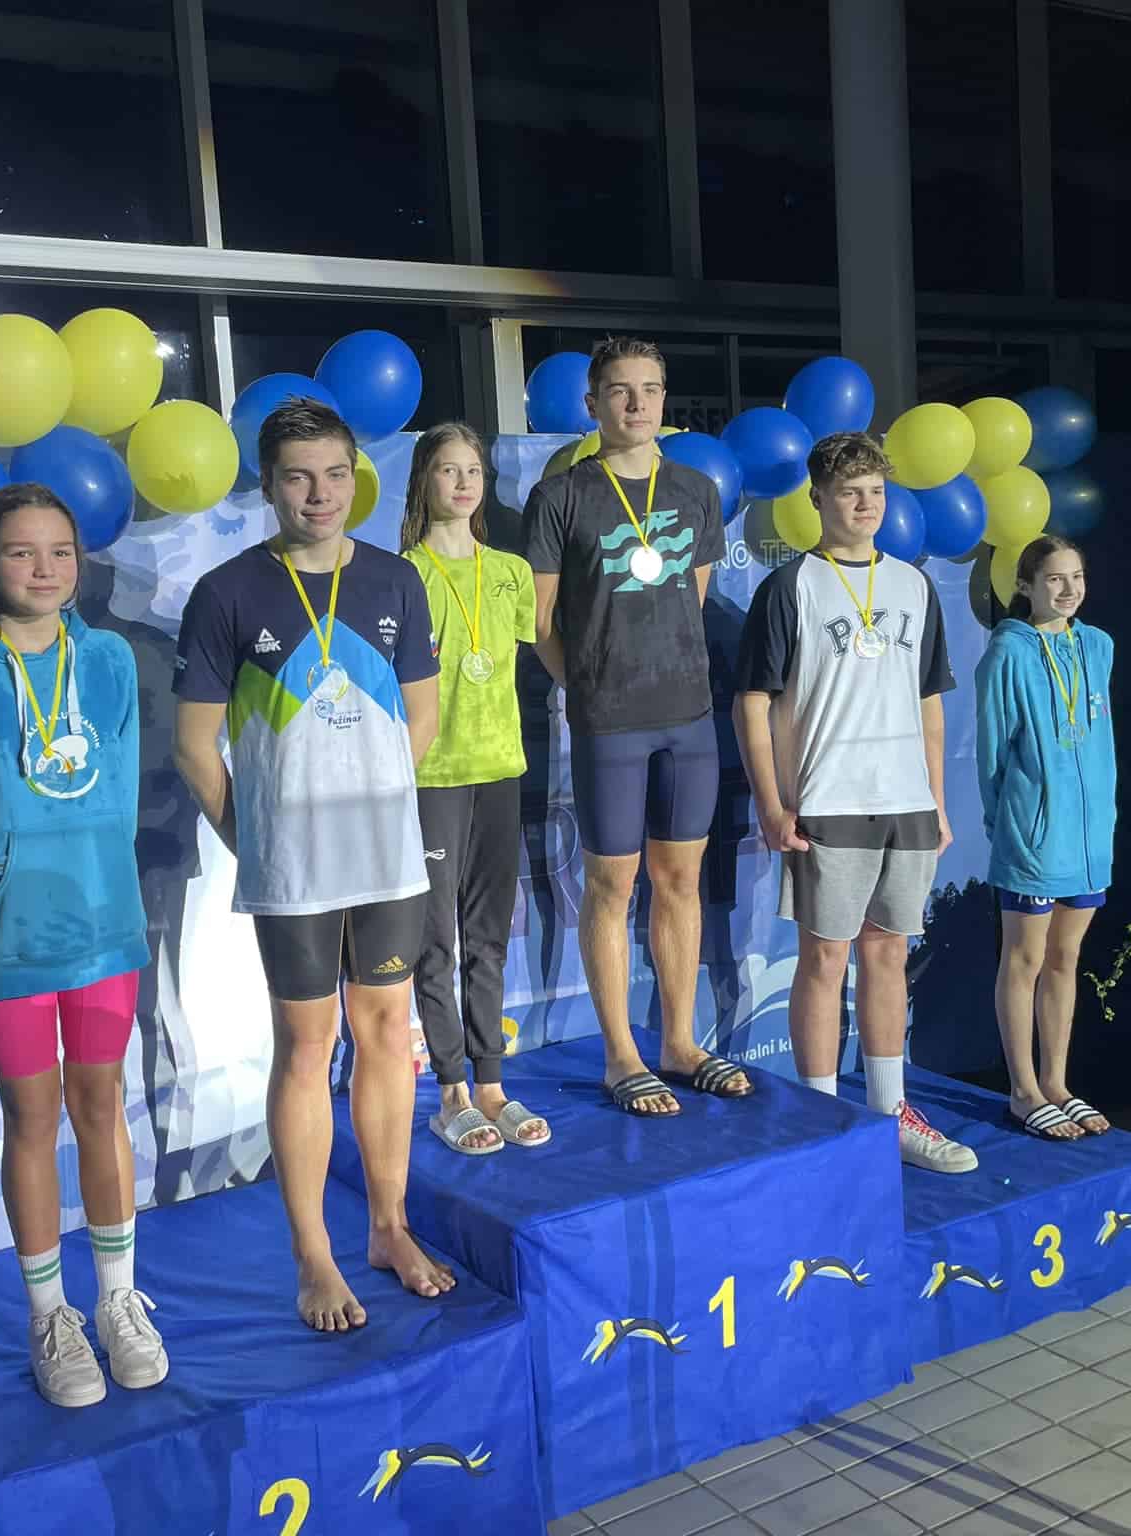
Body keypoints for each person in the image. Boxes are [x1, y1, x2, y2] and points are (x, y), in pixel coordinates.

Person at [172, 398, 455, 1332]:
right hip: (291, 869)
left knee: (387, 1034)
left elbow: (422, 712)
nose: (319, 494)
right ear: (268, 485)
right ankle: (314, 1257)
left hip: (386, 859)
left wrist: (377, 803)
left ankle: (388, 1227)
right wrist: (257, 842)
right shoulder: (227, 592)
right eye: (298, 477)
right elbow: (194, 747)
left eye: (335, 474)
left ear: (354, 480)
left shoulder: (394, 580)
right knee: (305, 1047)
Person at [0, 483, 166, 1407]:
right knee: (32, 1116)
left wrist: (97, 872)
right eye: (22, 551)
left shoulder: (110, 659)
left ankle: (119, 1301)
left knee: (102, 1103)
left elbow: (122, 787)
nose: (45, 568)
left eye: (60, 551)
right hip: (5, 929)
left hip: (101, 922)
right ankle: (51, 1316)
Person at [731, 432, 977, 1174]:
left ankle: (889, 1110)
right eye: (849, 492)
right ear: (818, 500)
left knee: (889, 954)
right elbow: (752, 703)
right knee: (825, 957)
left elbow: (930, 702)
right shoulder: (791, 586)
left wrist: (937, 801)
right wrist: (772, 804)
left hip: (905, 801)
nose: (866, 505)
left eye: (875, 491)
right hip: (827, 798)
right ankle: (820, 1122)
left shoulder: (913, 585)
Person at [524, 337, 748, 1118]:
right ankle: (622, 1056)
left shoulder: (694, 490)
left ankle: (680, 1043)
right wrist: (591, 684)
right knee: (612, 886)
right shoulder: (562, 497)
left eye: (650, 388)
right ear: (593, 404)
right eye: (620, 390)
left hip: (688, 718)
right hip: (609, 724)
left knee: (681, 882)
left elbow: (692, 601)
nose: (637, 403)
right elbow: (541, 623)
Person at [401, 423, 550, 1156]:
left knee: (487, 937)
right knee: (436, 939)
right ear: (423, 480)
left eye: (473, 471)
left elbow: (521, 650)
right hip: (432, 775)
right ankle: (451, 1090)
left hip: (500, 770)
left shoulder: (512, 572)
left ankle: (491, 1081)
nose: (462, 483)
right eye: (447, 470)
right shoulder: (402, 575)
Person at [976, 534, 1115, 1140]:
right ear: (1026, 585)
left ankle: (1057, 1083)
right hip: (1032, 835)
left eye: (1076, 577)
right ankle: (1023, 1090)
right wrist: (1009, 824)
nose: (1068, 589)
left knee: (1066, 958)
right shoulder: (1007, 653)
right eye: (1054, 579)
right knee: (1025, 959)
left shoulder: (1099, 646)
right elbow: (991, 754)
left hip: (1088, 838)